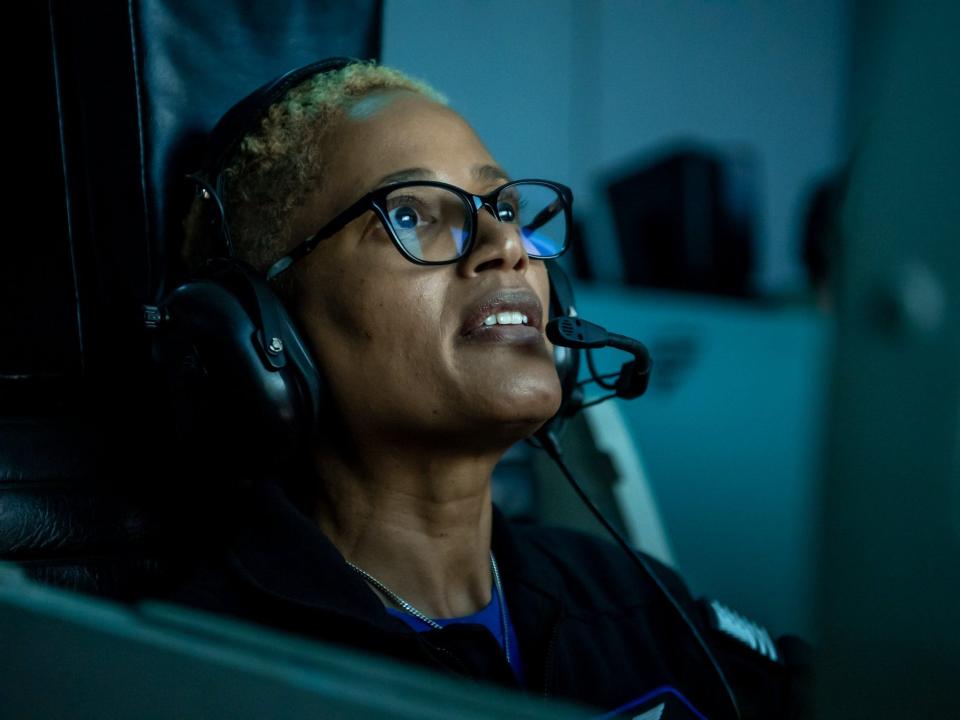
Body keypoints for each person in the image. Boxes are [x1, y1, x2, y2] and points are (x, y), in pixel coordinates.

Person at [162, 58, 809, 719]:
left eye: (504, 207)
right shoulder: (191, 672)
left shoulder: (630, 597)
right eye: (410, 215)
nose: (507, 244)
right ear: (263, 334)